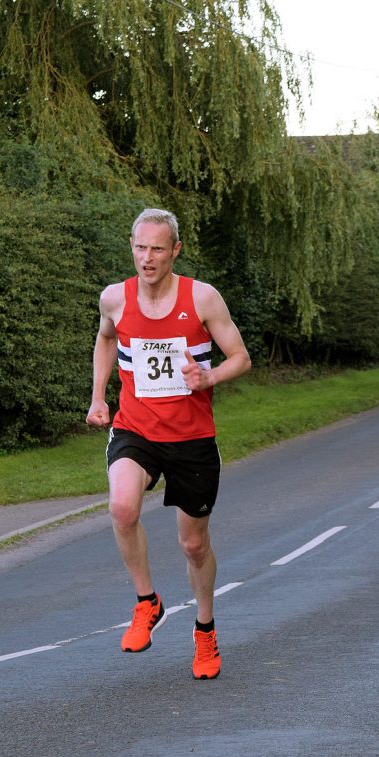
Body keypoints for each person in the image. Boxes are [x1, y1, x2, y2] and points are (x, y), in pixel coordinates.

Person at [86, 208, 251, 679]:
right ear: (132, 247)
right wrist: (99, 397)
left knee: (193, 544)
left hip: (191, 437)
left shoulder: (202, 298)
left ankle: (204, 630)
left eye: (158, 248)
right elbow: (104, 339)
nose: (147, 258)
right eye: (140, 247)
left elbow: (241, 357)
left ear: (175, 250)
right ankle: (147, 601)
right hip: (135, 429)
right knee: (122, 507)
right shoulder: (115, 298)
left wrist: (210, 376)